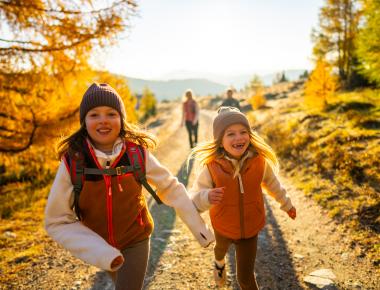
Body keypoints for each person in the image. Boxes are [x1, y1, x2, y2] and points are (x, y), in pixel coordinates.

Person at [44, 83, 214, 290]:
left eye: (111, 113)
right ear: (84, 121)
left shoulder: (136, 154)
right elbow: (56, 220)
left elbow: (170, 187)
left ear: (121, 119)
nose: (103, 120)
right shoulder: (74, 161)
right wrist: (101, 252)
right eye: (94, 114)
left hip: (136, 238)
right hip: (100, 244)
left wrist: (199, 228)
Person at [189, 107, 296, 289]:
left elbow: (273, 184)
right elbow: (194, 199)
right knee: (220, 249)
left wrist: (286, 204)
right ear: (220, 141)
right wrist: (206, 196)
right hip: (222, 224)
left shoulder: (259, 162)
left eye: (243, 132)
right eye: (230, 134)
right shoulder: (211, 167)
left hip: (250, 227)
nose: (238, 138)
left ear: (250, 135)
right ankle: (219, 263)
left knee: (245, 278)